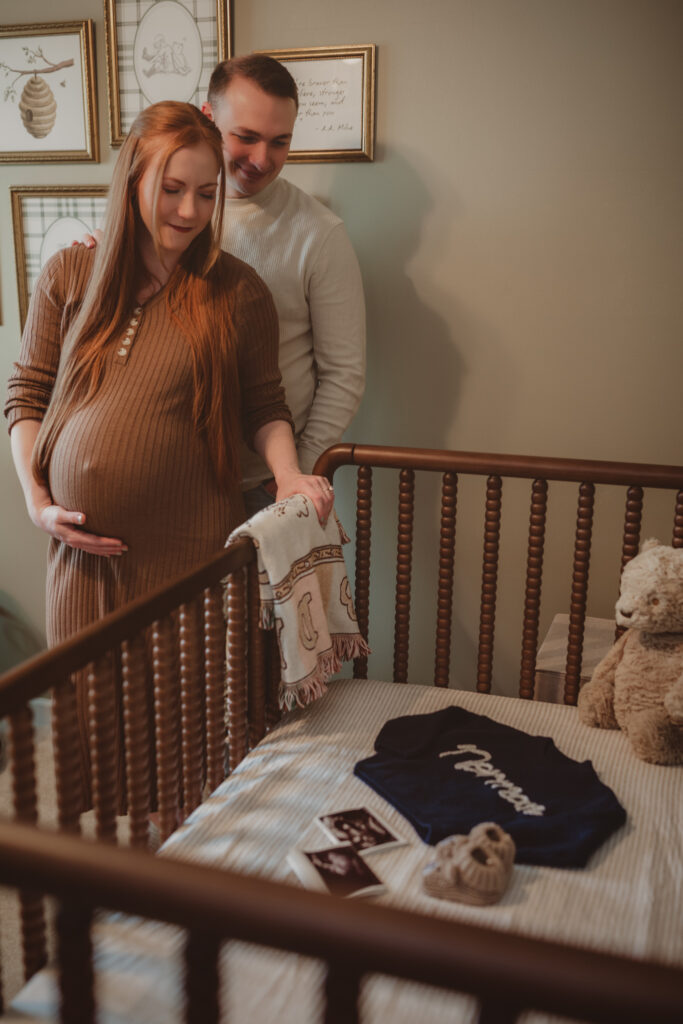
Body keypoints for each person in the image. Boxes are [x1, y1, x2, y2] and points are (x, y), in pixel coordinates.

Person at [4, 101, 334, 805]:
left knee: (187, 753)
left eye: (206, 193)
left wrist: (287, 474)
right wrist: (37, 502)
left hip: (185, 564)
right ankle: (116, 890)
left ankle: (185, 886)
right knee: (95, 748)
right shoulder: (70, 273)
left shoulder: (234, 291)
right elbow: (25, 396)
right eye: (171, 188)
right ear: (132, 183)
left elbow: (265, 408)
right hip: (81, 566)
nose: (188, 210)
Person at [201, 54, 366, 515]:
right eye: (246, 137)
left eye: (279, 142)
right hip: (172, 477)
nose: (261, 159)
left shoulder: (319, 233)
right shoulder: (169, 212)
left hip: (264, 485)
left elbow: (343, 373)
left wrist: (295, 471)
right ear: (207, 118)